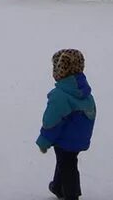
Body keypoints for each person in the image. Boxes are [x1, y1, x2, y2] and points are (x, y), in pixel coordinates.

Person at [36, 49, 96, 200]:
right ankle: (57, 186)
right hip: (78, 137)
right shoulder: (84, 92)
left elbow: (51, 121)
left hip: (65, 139)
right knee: (64, 161)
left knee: (68, 165)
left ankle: (71, 194)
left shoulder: (60, 96)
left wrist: (44, 140)